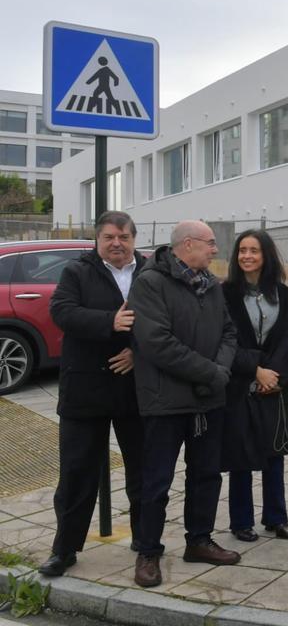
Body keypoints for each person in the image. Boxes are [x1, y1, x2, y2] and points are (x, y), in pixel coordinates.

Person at [128, 220, 239, 588]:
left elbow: (228, 331)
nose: (215, 250)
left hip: (208, 400)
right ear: (188, 245)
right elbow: (156, 343)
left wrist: (219, 370)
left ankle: (199, 540)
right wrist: (210, 372)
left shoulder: (211, 284)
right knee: (156, 480)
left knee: (206, 473)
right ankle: (148, 551)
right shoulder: (150, 282)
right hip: (166, 401)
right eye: (210, 244)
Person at [40, 211, 148, 578]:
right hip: (85, 389)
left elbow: (168, 321)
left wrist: (138, 351)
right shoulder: (78, 271)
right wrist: (109, 322)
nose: (116, 243)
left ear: (134, 238)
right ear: (97, 241)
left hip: (136, 390)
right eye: (108, 237)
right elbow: (61, 311)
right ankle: (64, 548)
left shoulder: (149, 272)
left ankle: (145, 539)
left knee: (144, 469)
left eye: (123, 236)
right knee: (76, 473)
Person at [220, 229, 288, 543]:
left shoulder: (283, 293)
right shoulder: (224, 294)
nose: (247, 256)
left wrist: (274, 374)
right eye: (242, 251)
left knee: (273, 453)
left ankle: (276, 518)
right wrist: (255, 370)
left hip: (275, 387)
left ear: (266, 255)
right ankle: (241, 521)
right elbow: (224, 340)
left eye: (254, 250)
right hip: (239, 385)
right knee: (240, 455)